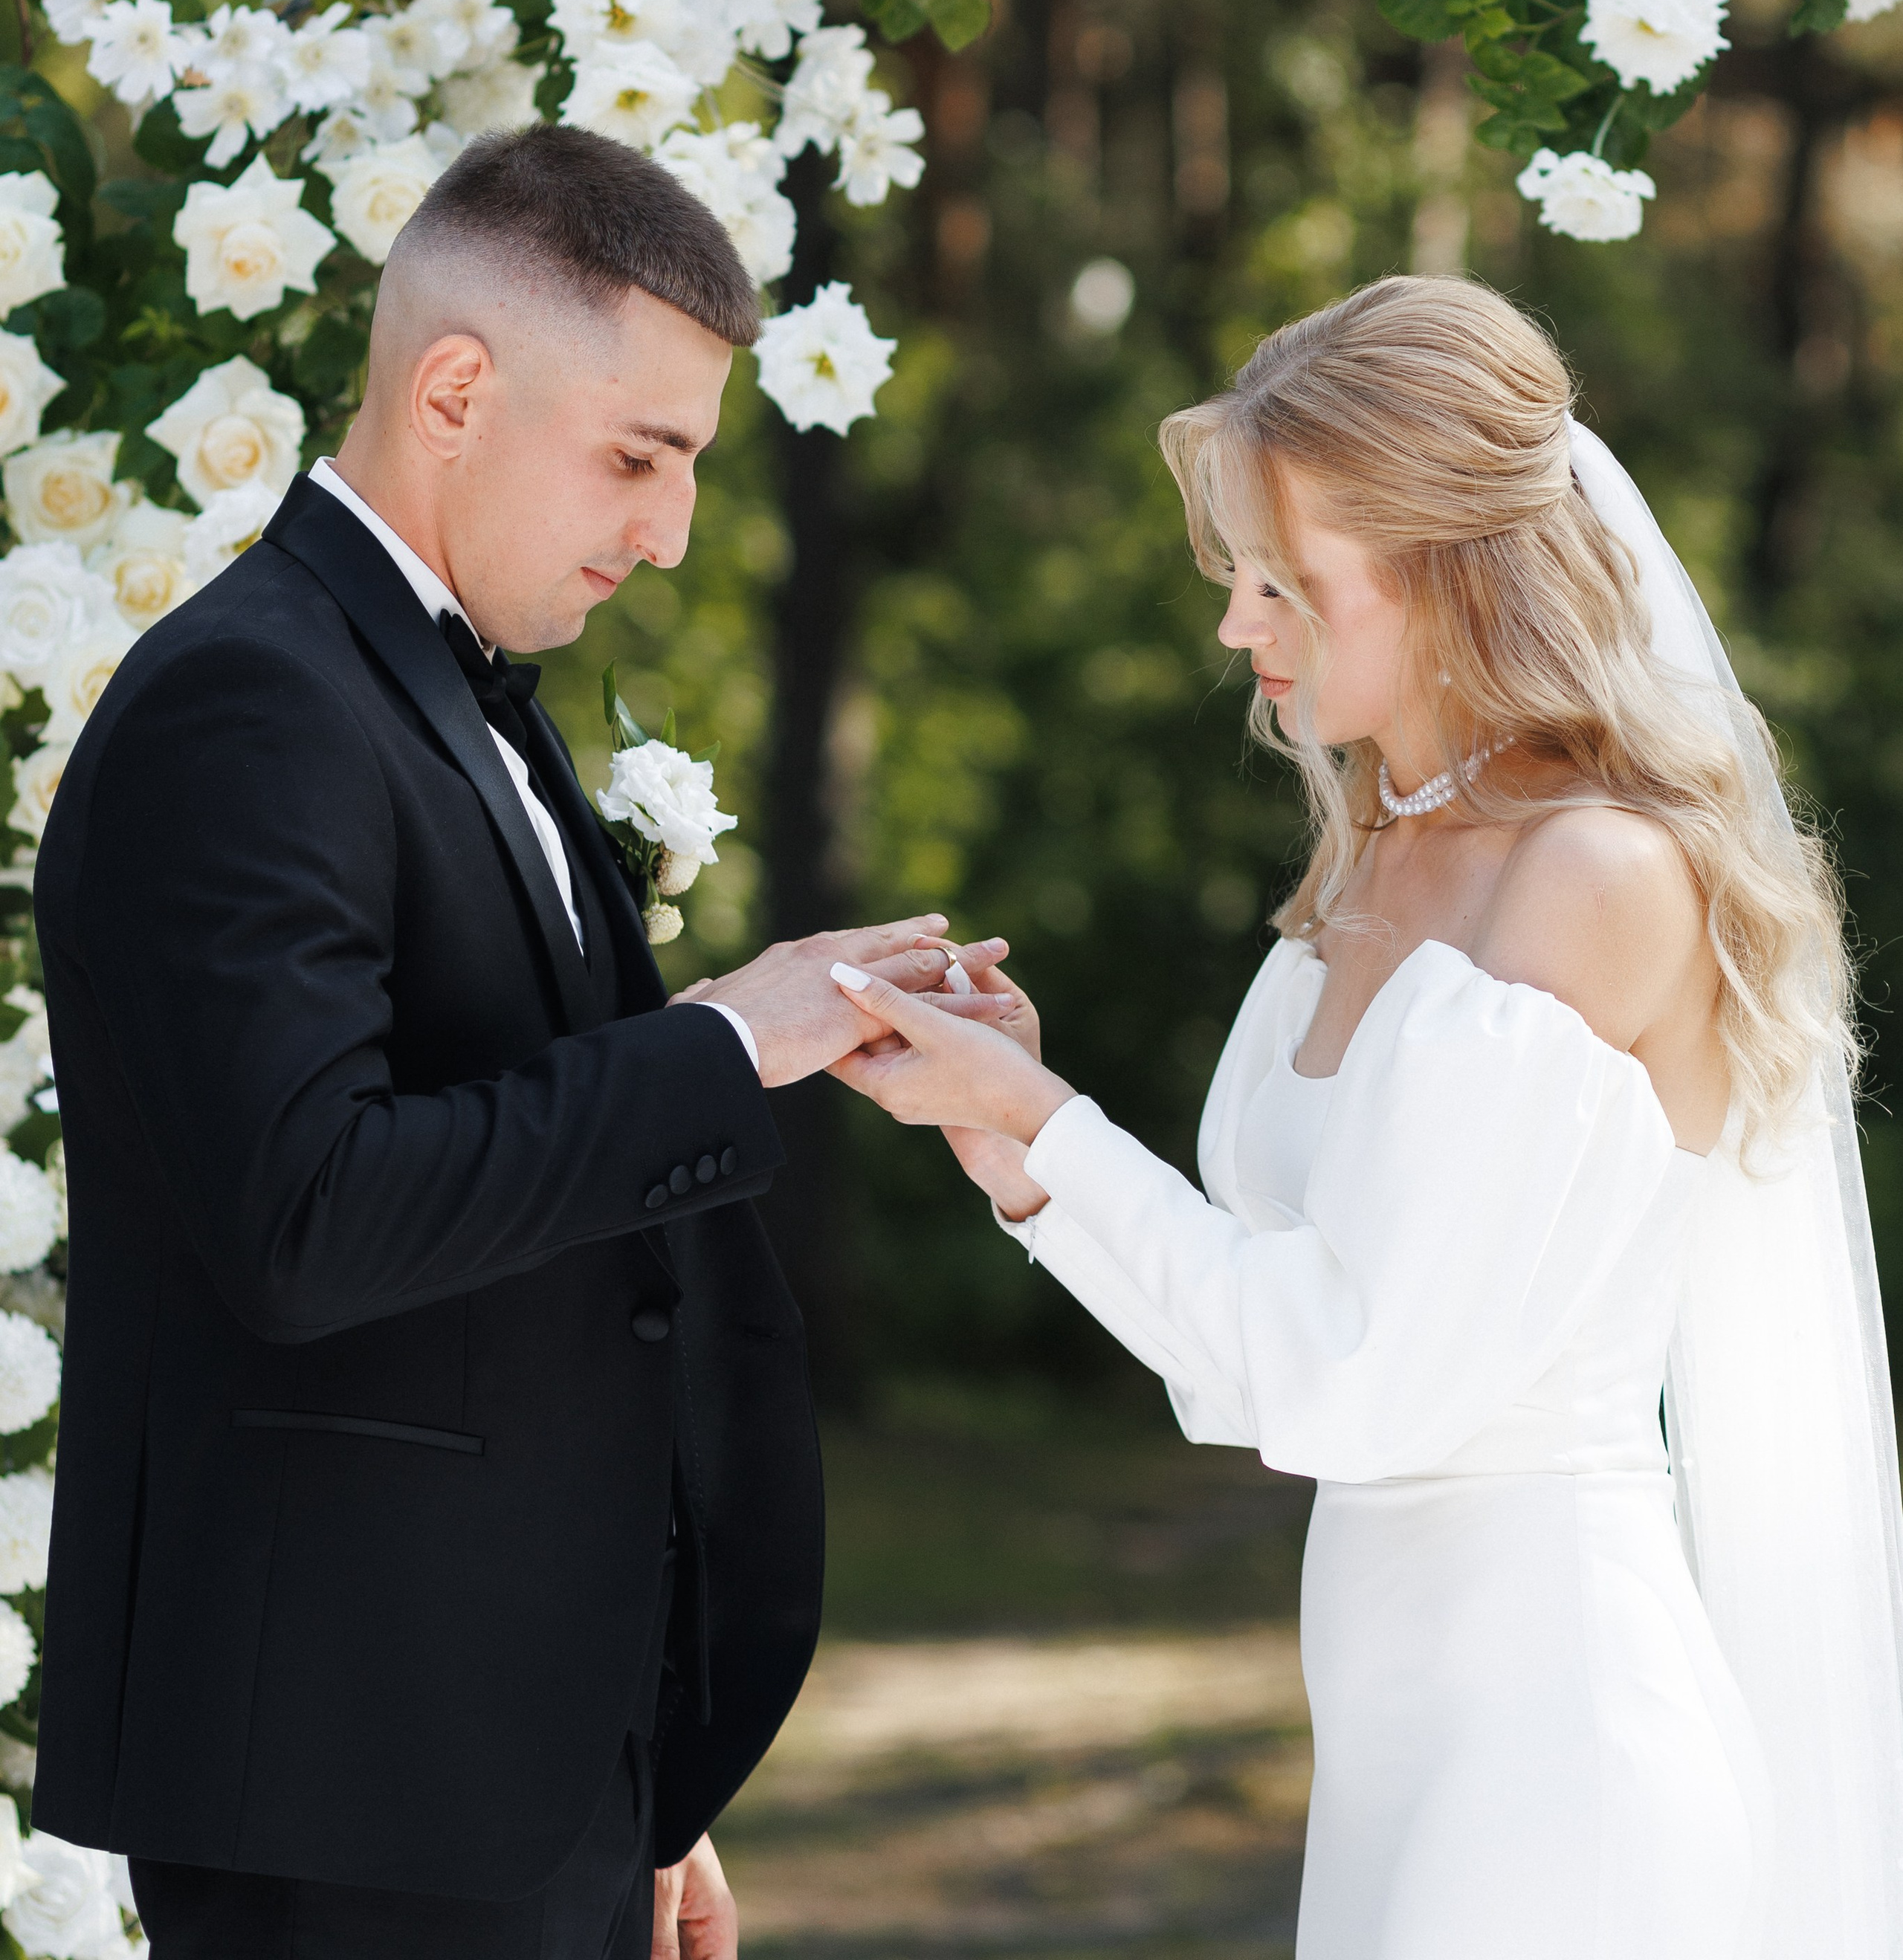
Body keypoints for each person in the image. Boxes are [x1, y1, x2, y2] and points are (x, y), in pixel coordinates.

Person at [827, 276, 1903, 1960]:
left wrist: (1050, 1125)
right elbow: (1236, 1354)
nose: (1238, 630)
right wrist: (1010, 1148)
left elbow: (1346, 1379)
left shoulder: (1594, 877)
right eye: (1238, 581)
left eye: (1282, 583)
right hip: (1399, 1748)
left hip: (1563, 1760)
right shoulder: (1370, 867)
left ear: (1441, 569)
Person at [30, 124, 1001, 1960]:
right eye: (639, 457)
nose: (669, 531)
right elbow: (309, 1215)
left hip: (503, 1777)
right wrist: (722, 1048)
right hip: (344, 1786)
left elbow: (543, 1284)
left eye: (690, 469)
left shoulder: (445, 689)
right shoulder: (253, 700)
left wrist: (624, 1775)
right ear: (455, 388)